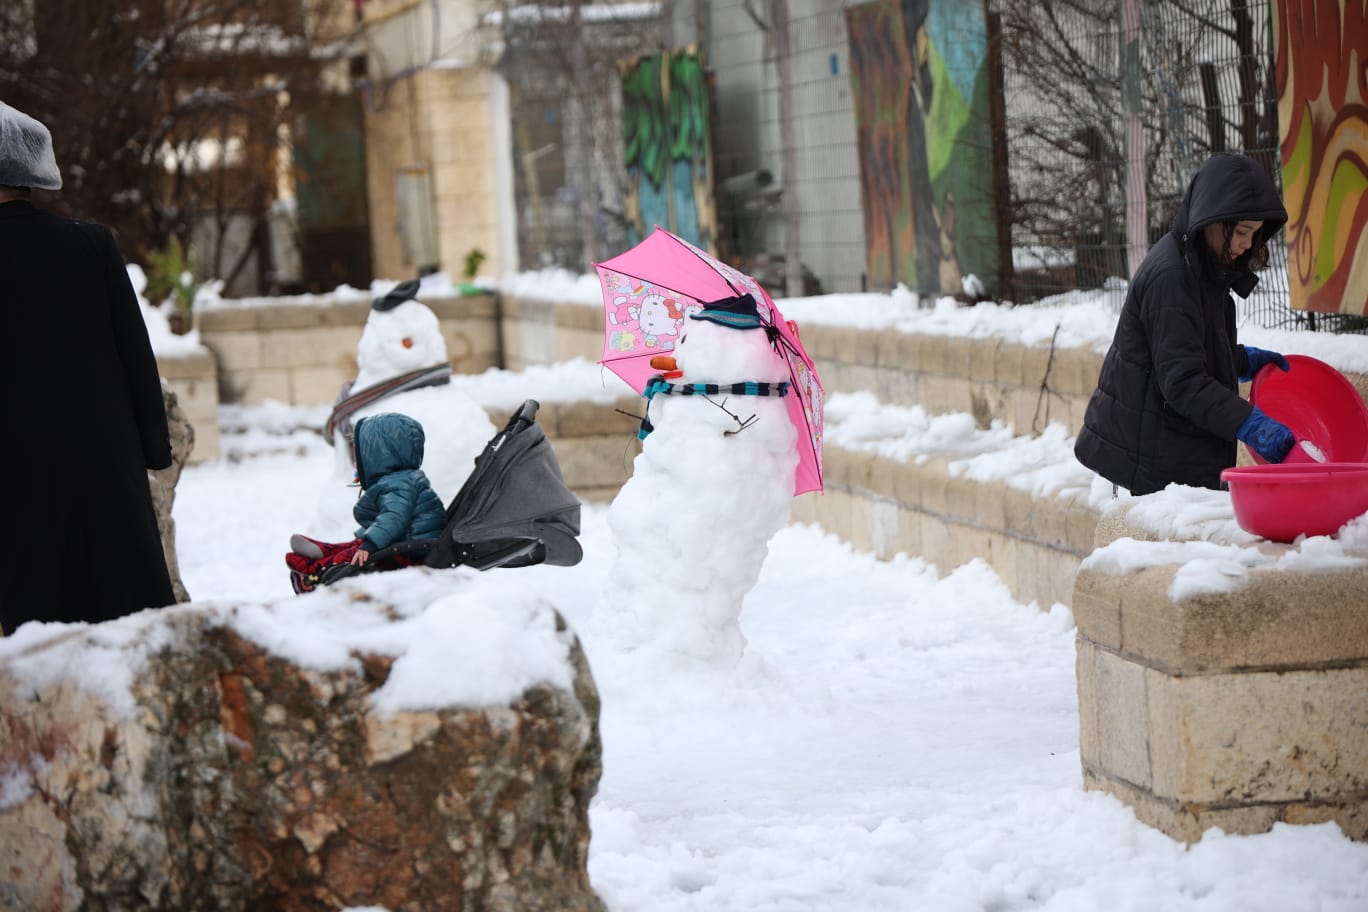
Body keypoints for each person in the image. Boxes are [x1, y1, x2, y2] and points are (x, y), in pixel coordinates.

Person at [0, 101, 176, 633]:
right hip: (102, 458)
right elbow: (134, 352)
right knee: (125, 622)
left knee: (33, 636)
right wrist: (154, 447)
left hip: (13, 467)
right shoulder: (90, 242)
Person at [1074, 152, 1296, 496]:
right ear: (1213, 220)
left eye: (1254, 235)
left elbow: (1188, 351)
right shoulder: (1173, 277)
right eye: (1241, 232)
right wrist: (1247, 422)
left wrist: (1240, 361)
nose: (1247, 244)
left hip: (1172, 456)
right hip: (1153, 468)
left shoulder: (1203, 267)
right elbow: (1182, 382)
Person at [286, 412, 446, 592]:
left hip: (408, 551)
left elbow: (393, 517)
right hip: (402, 540)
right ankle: (324, 550)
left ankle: (312, 573)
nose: (357, 461)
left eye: (360, 455)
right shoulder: (403, 479)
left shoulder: (400, 484)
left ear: (381, 455)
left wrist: (370, 545)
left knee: (355, 554)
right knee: (355, 545)